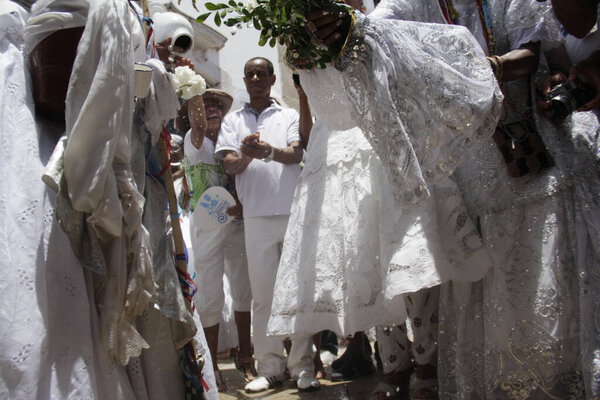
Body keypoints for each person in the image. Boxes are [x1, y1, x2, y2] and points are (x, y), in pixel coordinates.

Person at [215, 57, 319, 393]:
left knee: (298, 293)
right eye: (250, 74)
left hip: (292, 215)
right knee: (263, 297)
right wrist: (248, 153)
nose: (256, 78)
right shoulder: (233, 120)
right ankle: (271, 367)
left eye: (262, 73)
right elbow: (230, 165)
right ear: (245, 81)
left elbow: (296, 153)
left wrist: (267, 151)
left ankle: (303, 366)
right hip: (256, 217)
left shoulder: (288, 114)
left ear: (272, 79)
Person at [183, 88, 256, 391]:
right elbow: (199, 123)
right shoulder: (192, 138)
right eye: (205, 105)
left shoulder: (230, 140)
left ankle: (246, 357)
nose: (211, 109)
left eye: (218, 105)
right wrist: (192, 88)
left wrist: (242, 204)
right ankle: (212, 365)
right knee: (211, 295)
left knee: (243, 290)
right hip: (206, 227)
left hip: (236, 224)